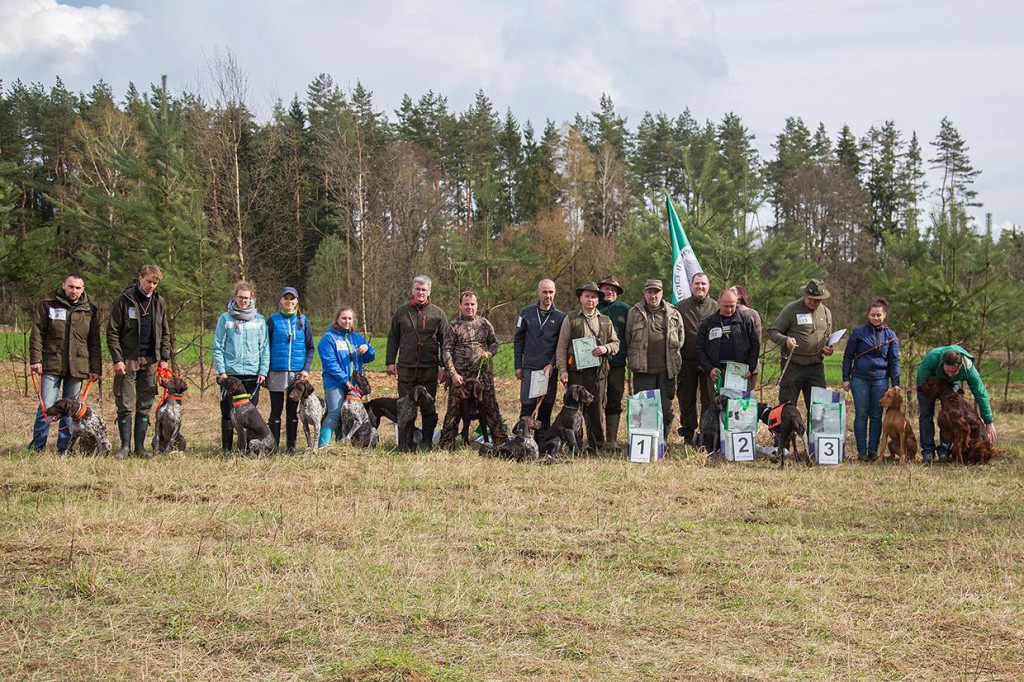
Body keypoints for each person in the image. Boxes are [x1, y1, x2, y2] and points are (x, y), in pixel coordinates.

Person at [28, 274, 102, 454]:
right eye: (71, 286)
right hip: (51, 363)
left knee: (71, 410)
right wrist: (36, 360)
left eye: (78, 288)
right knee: (46, 406)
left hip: (78, 366)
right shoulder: (48, 303)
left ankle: (64, 449)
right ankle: (37, 448)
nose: (74, 290)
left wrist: (96, 368)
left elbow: (94, 341)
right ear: (63, 286)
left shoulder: (90, 309)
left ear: (83, 289)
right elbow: (37, 333)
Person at [107, 264, 171, 457]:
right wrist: (117, 359)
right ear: (140, 278)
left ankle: (140, 447)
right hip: (127, 359)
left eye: (155, 283)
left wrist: (164, 358)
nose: (151, 286)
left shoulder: (159, 302)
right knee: (125, 404)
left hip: (151, 359)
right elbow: (112, 332)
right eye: (149, 281)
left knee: (145, 404)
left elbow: (165, 333)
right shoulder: (124, 300)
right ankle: (125, 447)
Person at [555, 282, 620, 453]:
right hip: (576, 372)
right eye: (587, 296)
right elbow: (561, 346)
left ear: (598, 300)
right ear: (580, 298)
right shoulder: (570, 319)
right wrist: (562, 370)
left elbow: (616, 343)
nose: (590, 300)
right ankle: (575, 445)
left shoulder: (605, 321)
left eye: (593, 297)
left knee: (597, 410)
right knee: (574, 411)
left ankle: (596, 445)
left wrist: (605, 348)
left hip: (598, 372)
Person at [438, 291, 508, 449]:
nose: (469, 307)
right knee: (454, 410)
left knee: (491, 409)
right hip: (460, 378)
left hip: (482, 378)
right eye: (466, 304)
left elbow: (494, 344)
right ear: (460, 306)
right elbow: (447, 350)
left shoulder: (484, 324)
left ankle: (501, 443)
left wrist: (489, 353)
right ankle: (446, 444)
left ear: (477, 305)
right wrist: (452, 373)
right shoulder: (453, 326)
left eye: (472, 304)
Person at [385, 275, 447, 448]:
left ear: (429, 292)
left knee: (428, 408)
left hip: (429, 369)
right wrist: (390, 361)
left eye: (424, 289)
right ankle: (406, 443)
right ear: (412, 290)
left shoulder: (438, 313)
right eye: (418, 289)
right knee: (405, 409)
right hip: (406, 369)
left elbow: (446, 343)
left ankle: (427, 442)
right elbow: (393, 338)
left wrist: (444, 367)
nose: (421, 292)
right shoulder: (401, 312)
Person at [841, 297, 900, 462]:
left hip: (881, 379)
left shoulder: (890, 336)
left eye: (879, 315)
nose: (876, 318)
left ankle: (873, 451)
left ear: (885, 315)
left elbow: (894, 360)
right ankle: (861, 451)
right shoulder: (858, 332)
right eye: (873, 314)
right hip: (860, 378)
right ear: (868, 315)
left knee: (876, 415)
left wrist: (895, 383)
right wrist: (846, 378)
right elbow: (848, 356)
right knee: (861, 415)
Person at [625, 279, 685, 441]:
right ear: (645, 293)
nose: (653, 295)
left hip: (667, 371)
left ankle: (662, 441)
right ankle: (644, 442)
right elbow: (627, 338)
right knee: (644, 409)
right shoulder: (634, 312)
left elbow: (680, 339)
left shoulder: (673, 313)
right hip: (643, 371)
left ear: (662, 293)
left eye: (656, 292)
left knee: (666, 410)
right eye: (650, 292)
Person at [213, 282, 270, 453]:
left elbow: (264, 348)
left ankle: (248, 449)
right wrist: (222, 372)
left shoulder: (259, 320)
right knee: (228, 413)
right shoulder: (225, 318)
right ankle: (227, 449)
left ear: (251, 298)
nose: (243, 301)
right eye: (240, 297)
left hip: (252, 374)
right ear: (235, 297)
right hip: (231, 373)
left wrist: (263, 371)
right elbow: (218, 347)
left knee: (249, 416)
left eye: (246, 298)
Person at [916, 346, 996, 464]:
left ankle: (944, 451)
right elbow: (922, 382)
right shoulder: (932, 359)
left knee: (951, 417)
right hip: (930, 381)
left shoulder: (969, 369)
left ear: (960, 366)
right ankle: (928, 452)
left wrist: (989, 422)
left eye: (954, 371)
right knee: (926, 413)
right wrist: (931, 393)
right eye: (947, 370)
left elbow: (981, 394)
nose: (950, 374)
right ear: (942, 364)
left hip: (950, 385)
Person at [768, 278, 835, 414]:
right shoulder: (791, 309)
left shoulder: (826, 313)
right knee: (787, 408)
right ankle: (787, 435)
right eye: (810, 299)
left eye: (817, 300)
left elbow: (828, 337)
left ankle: (815, 435)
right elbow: (773, 332)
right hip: (793, 365)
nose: (813, 302)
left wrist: (829, 349)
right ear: (805, 295)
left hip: (816, 367)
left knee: (819, 408)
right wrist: (785, 340)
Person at [513, 279, 565, 439]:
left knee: (545, 408)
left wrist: (552, 364)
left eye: (551, 292)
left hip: (548, 370)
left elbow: (560, 345)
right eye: (544, 292)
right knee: (527, 407)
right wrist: (518, 365)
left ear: (555, 293)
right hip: (529, 368)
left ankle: (542, 443)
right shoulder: (526, 312)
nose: (548, 295)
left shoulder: (561, 317)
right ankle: (523, 441)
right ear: (538, 292)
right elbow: (518, 339)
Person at [318, 305, 376, 447]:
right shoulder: (328, 338)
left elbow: (370, 357)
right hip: (335, 383)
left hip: (353, 385)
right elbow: (330, 363)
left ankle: (342, 445)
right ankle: (322, 447)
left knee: (347, 416)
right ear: (337, 320)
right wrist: (344, 380)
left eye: (350, 318)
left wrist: (367, 348)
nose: (347, 321)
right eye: (343, 318)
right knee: (335, 412)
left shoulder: (356, 338)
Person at [266, 286, 314, 451]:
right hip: (276, 371)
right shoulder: (273, 320)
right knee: (276, 410)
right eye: (285, 298)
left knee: (292, 410)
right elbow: (265, 346)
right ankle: (273, 446)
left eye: (292, 298)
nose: (289, 301)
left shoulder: (304, 321)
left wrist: (306, 369)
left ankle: (291, 447)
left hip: (296, 374)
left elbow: (310, 348)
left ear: (297, 301)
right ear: (280, 300)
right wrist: (265, 370)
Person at [674, 272, 715, 442]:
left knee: (709, 399)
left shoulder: (716, 307)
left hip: (709, 362)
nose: (700, 287)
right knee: (686, 398)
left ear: (708, 286)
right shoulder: (680, 307)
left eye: (703, 284)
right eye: (697, 284)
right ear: (691, 286)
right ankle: (688, 434)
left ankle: (706, 435)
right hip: (687, 361)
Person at [695, 288, 760, 391]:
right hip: (717, 373)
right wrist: (709, 369)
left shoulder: (746, 320)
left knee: (738, 405)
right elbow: (699, 348)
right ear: (719, 303)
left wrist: (750, 368)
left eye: (732, 306)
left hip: (740, 373)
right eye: (726, 306)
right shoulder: (708, 323)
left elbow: (755, 345)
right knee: (717, 406)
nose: (729, 310)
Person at [598, 276, 630, 448]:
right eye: (606, 288)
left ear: (617, 292)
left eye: (613, 289)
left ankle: (611, 439)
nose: (609, 291)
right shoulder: (593, 307)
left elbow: (630, 337)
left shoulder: (625, 310)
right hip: (595, 364)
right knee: (595, 400)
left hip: (617, 365)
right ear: (600, 290)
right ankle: (596, 438)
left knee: (614, 399)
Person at [730, 285, 762, 391]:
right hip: (731, 367)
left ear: (740, 295)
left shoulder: (751, 314)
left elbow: (757, 341)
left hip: (749, 366)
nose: (729, 293)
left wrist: (750, 366)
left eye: (733, 291)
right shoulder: (725, 314)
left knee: (746, 402)